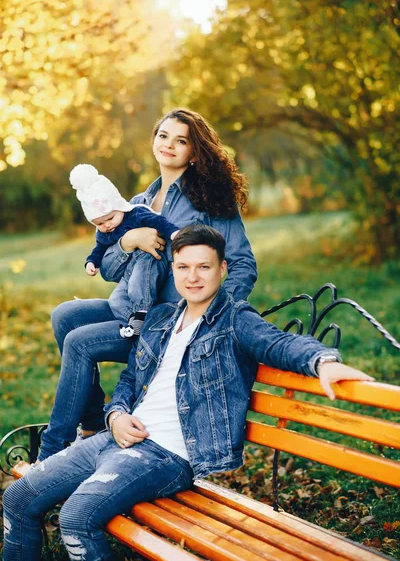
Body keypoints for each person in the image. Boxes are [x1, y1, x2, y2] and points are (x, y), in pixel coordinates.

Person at [2, 224, 375, 561]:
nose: (193, 277)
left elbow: (278, 343)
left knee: (77, 518)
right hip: (115, 439)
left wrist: (323, 361)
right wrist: (115, 416)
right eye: (183, 267)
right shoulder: (161, 319)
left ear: (222, 269)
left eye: (204, 267)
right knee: (17, 499)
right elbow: (130, 381)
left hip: (165, 455)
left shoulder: (234, 319)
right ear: (173, 269)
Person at [37, 108, 258, 462]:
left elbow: (243, 264)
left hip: (168, 324)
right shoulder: (134, 204)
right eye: (163, 135)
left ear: (194, 151)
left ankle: (51, 453)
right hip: (131, 309)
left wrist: (210, 317)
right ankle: (92, 424)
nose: (169, 145)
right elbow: (108, 268)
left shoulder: (209, 200)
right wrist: (130, 241)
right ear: (153, 139)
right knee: (65, 315)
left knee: (80, 342)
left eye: (181, 140)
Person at [69, 163, 180, 336]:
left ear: (119, 206)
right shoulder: (104, 231)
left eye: (110, 218)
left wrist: (173, 233)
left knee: (137, 286)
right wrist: (92, 261)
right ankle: (135, 323)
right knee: (116, 300)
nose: (107, 225)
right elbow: (100, 248)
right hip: (128, 271)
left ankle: (143, 316)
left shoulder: (136, 214)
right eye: (99, 223)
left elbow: (159, 222)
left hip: (149, 261)